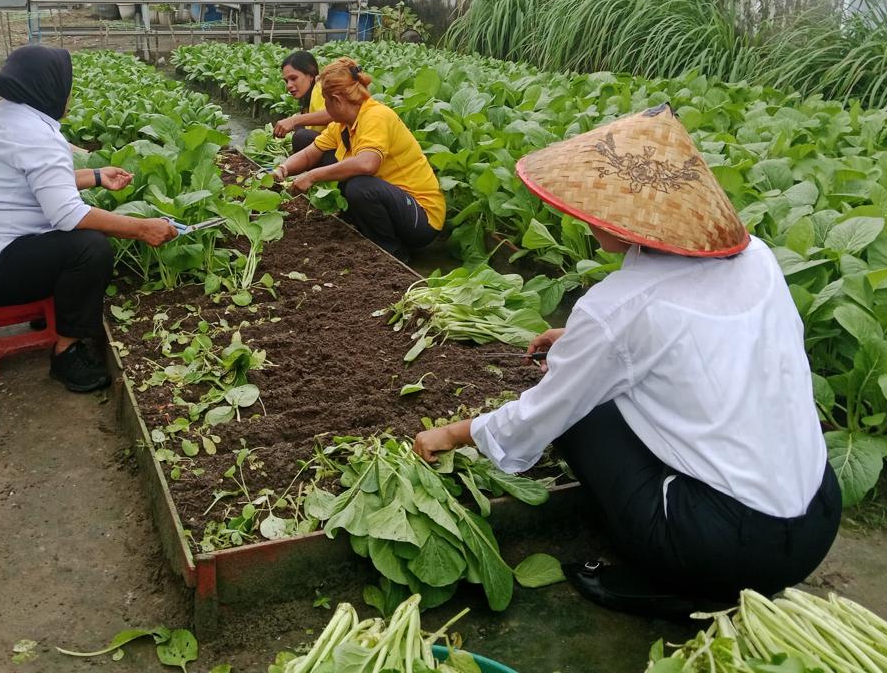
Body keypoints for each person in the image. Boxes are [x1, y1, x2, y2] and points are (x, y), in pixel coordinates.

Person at [412, 105, 841, 618]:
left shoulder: (619, 306)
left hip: (728, 547)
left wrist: (452, 434)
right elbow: (705, 338)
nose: (583, 213)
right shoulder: (759, 258)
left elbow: (545, 414)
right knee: (610, 388)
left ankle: (667, 574)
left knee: (581, 412)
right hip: (818, 513)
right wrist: (583, 339)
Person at [0, 45, 177, 393]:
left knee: (70, 242)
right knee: (90, 248)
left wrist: (95, 175)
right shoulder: (36, 135)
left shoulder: (2, 118)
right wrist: (143, 228)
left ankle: (45, 312)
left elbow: (28, 184)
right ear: (49, 87)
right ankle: (66, 353)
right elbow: (67, 214)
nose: (70, 93)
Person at [273, 57, 445, 260]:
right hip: (393, 204)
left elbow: (368, 163)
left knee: (360, 186)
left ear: (336, 100)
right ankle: (363, 229)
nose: (325, 108)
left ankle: (392, 253)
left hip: (421, 218)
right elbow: (311, 153)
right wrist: (282, 169)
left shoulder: (375, 116)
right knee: (348, 177)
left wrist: (311, 176)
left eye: (326, 102)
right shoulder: (342, 124)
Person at [271, 50, 332, 154]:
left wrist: (294, 120)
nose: (289, 85)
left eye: (293, 78)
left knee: (302, 137)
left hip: (344, 153)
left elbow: (333, 114)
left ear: (310, 76)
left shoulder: (321, 87)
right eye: (286, 81)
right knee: (300, 127)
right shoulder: (311, 95)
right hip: (330, 144)